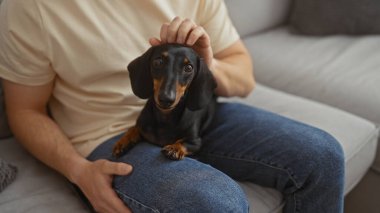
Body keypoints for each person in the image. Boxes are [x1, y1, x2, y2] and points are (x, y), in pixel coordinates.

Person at [0, 0, 345, 212]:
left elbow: (244, 77)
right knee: (215, 203)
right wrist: (79, 172)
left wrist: (207, 65)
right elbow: (24, 110)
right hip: (109, 134)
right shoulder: (32, 5)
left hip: (195, 112)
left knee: (324, 154)